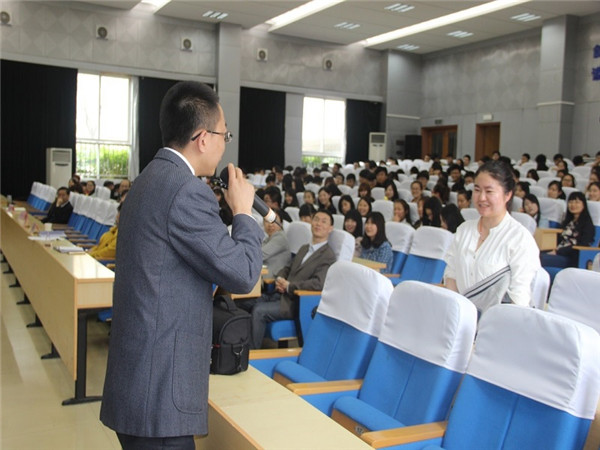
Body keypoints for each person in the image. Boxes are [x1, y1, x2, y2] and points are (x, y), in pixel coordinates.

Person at [100, 81, 264, 449]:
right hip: (159, 391)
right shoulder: (187, 190)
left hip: (137, 377)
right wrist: (243, 213)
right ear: (203, 138)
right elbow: (242, 273)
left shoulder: (148, 179)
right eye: (225, 135)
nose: (225, 145)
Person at [444, 160, 540, 315]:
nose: (481, 198)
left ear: (507, 195)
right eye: (477, 190)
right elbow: (452, 277)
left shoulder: (519, 239)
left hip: (500, 326)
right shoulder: (464, 230)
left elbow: (519, 299)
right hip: (462, 320)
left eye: (489, 191)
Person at [240, 210, 337, 348]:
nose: (318, 224)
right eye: (316, 219)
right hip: (279, 293)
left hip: (296, 302)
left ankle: (251, 356)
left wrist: (289, 286)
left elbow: (318, 283)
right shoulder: (304, 248)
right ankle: (236, 346)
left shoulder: (328, 255)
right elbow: (288, 268)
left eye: (324, 221)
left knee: (258, 310)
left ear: (330, 228)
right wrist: (280, 278)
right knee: (244, 302)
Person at [540, 192, 595, 268]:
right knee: (534, 254)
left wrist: (558, 251)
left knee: (540, 259)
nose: (573, 205)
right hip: (558, 251)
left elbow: (583, 245)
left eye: (577, 202)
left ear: (583, 205)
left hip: (571, 257)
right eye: (570, 202)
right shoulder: (567, 221)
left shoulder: (587, 225)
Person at [262, 209, 291, 279]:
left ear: (281, 223)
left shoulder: (280, 238)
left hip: (272, 280)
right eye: (267, 221)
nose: (270, 224)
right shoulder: (267, 239)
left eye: (274, 221)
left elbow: (260, 254)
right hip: (262, 276)